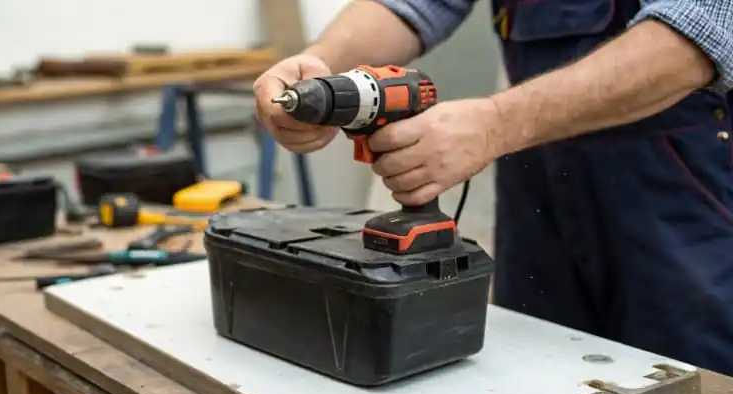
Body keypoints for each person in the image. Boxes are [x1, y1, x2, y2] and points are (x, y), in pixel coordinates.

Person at [253, 0, 733, 375]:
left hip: (677, 186)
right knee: (537, 366)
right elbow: (417, 5)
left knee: (686, 373)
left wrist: (498, 123)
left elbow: (699, 33)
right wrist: (321, 64)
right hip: (535, 175)